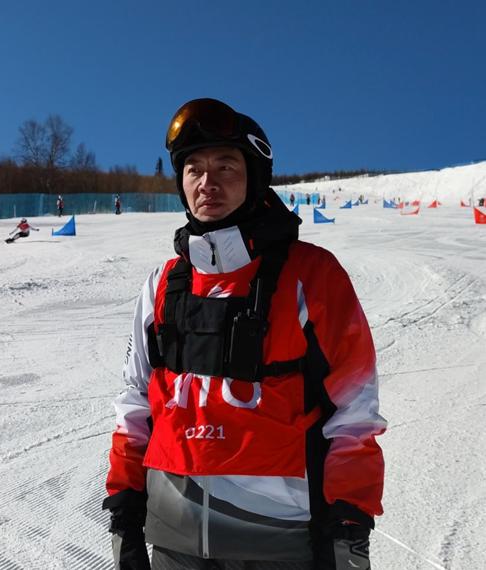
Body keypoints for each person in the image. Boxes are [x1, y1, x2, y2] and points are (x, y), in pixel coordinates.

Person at [103, 98, 385, 570]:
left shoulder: (312, 275)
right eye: (193, 169)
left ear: (255, 177)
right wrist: (124, 513)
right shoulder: (162, 284)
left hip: (280, 544)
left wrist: (348, 528)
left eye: (225, 166)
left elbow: (354, 414)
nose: (207, 182)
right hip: (174, 541)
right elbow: (135, 404)